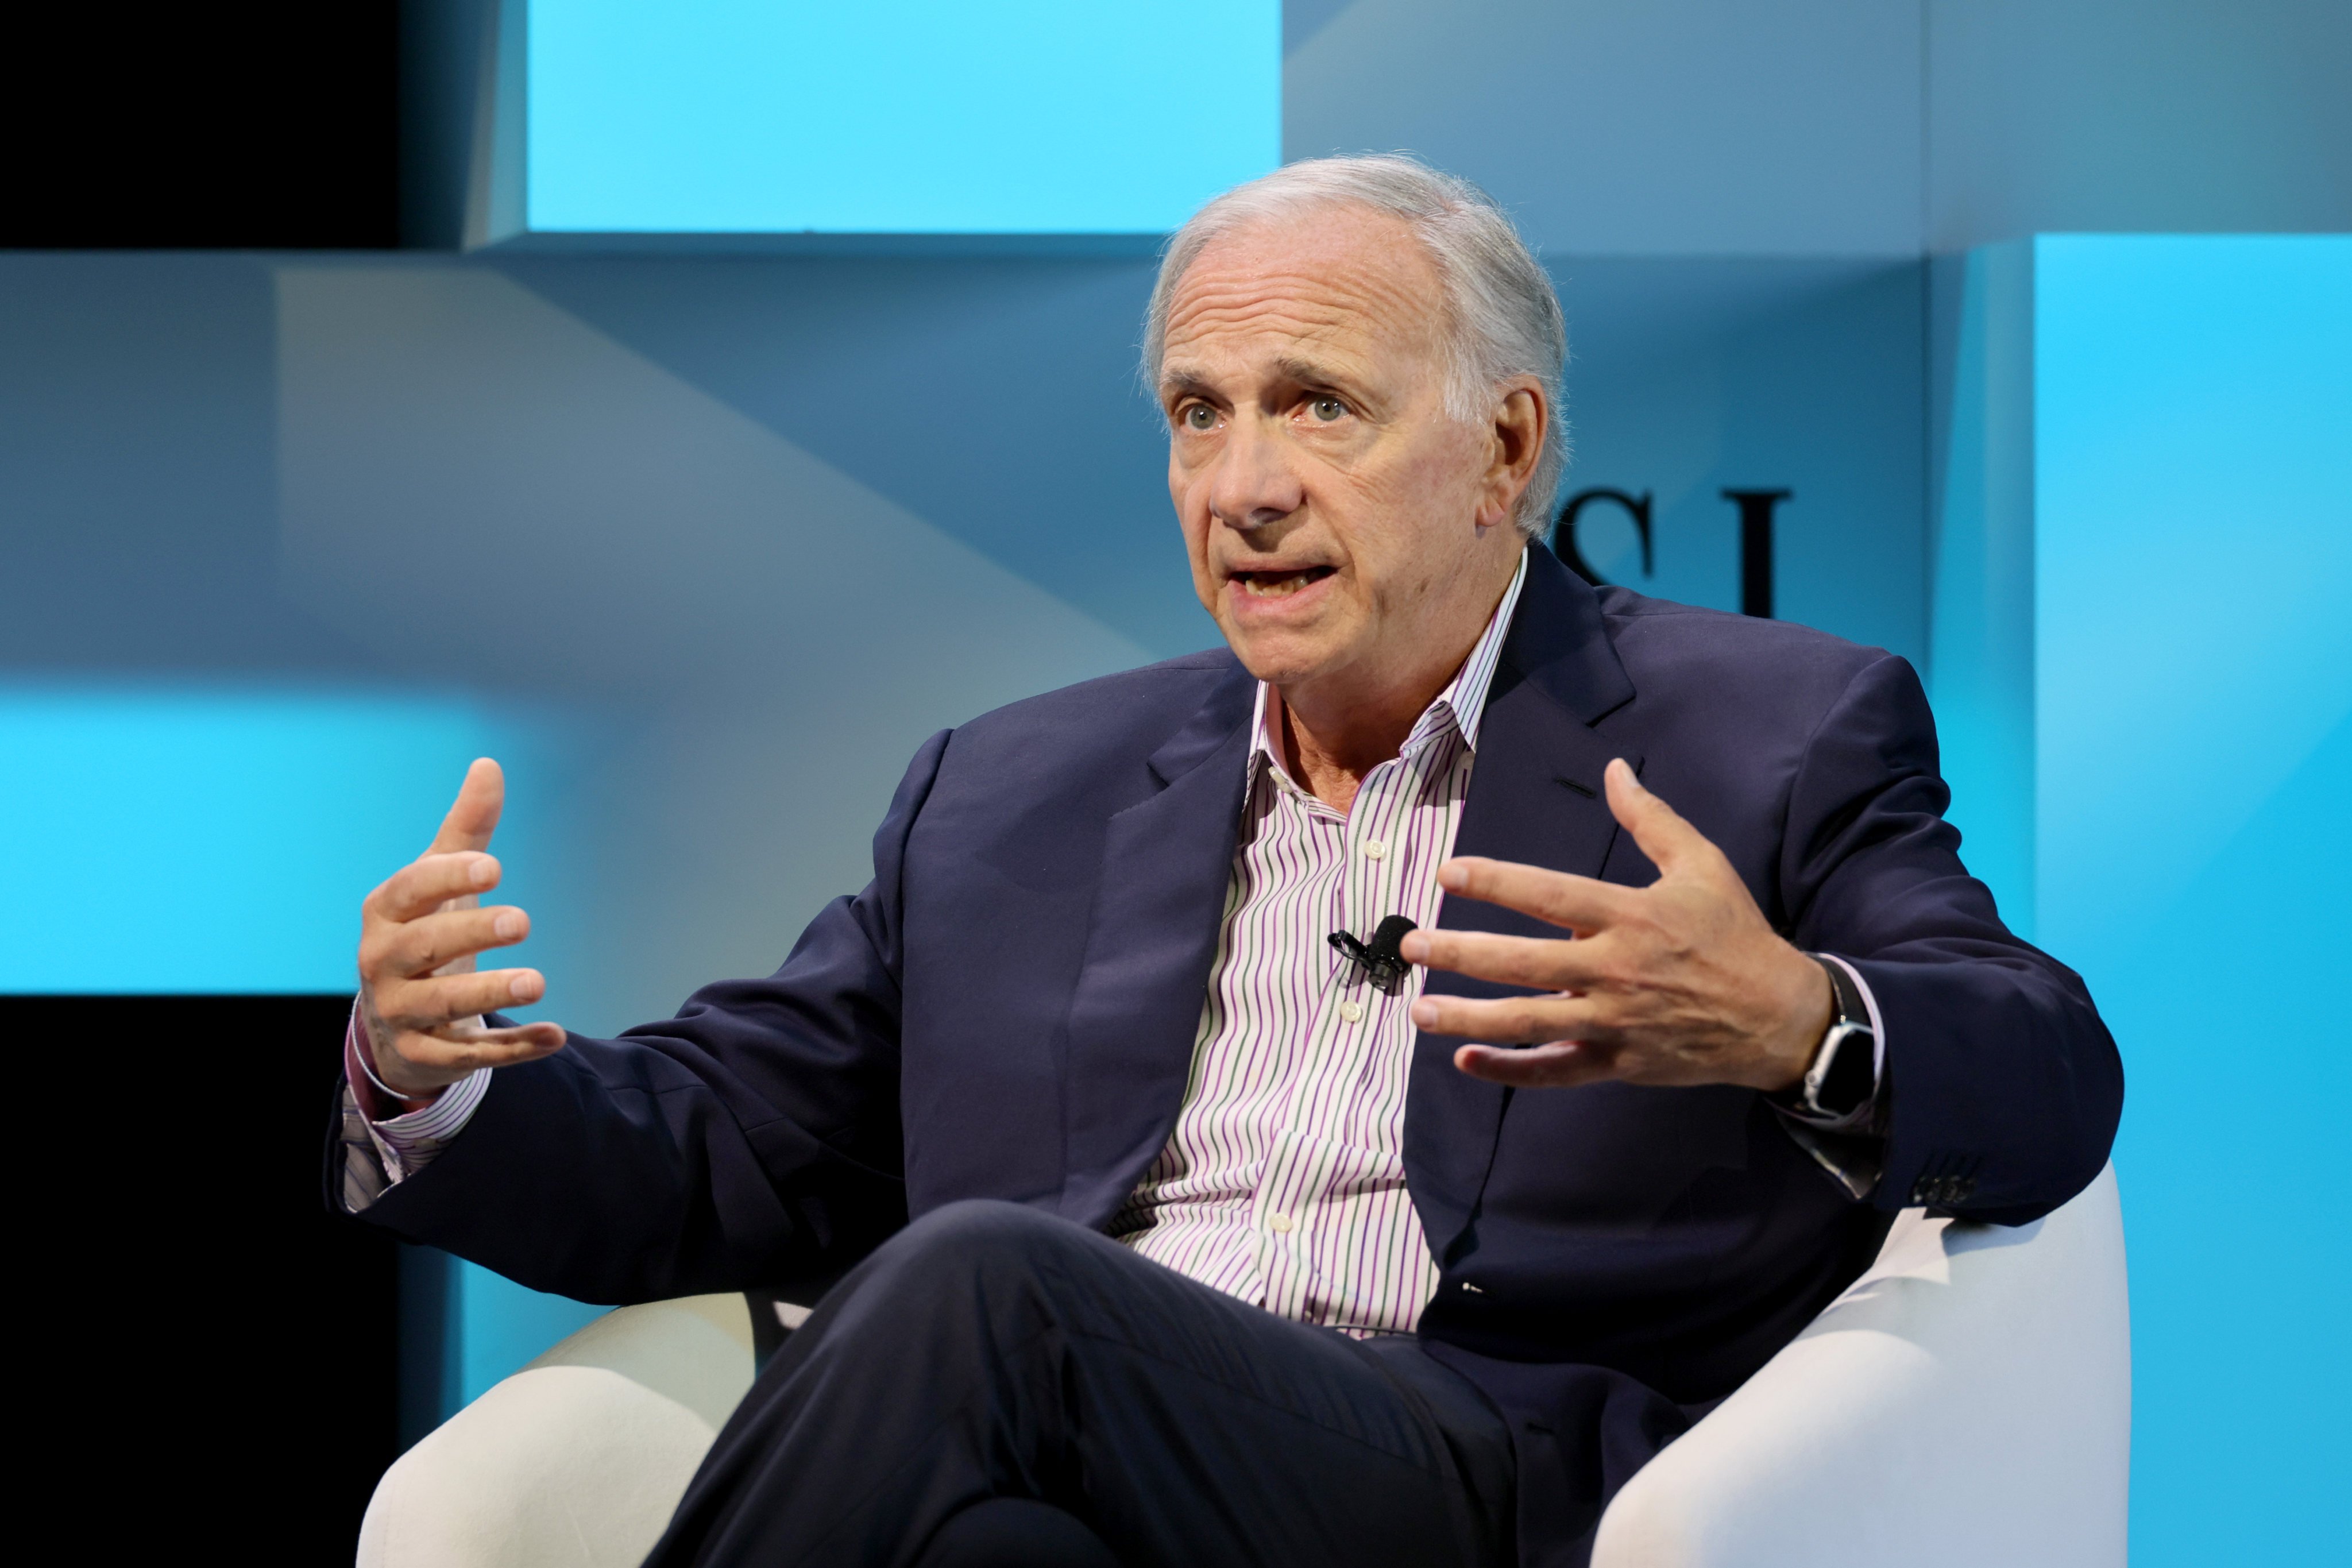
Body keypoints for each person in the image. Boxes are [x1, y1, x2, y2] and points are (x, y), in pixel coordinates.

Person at [335, 156, 2121, 1568]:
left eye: (1319, 405)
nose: (1244, 482)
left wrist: (1793, 1018)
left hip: (1479, 1462)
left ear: (1504, 447)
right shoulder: (1017, 786)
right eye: (1200, 412)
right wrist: (434, 1079)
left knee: (980, 1285)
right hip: (1081, 1461)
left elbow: (2047, 1068)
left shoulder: (1772, 733)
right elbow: (733, 1140)